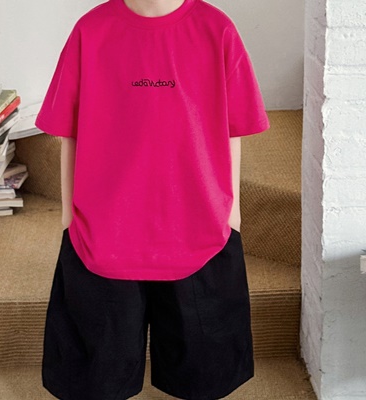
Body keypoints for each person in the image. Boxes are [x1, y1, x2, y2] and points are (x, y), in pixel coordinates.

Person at [35, 0, 270, 399]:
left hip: (199, 226)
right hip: (104, 229)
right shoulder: (91, 30)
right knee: (96, 379)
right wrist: (67, 216)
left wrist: (232, 213)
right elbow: (68, 132)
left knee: (204, 375)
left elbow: (234, 127)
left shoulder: (217, 29)